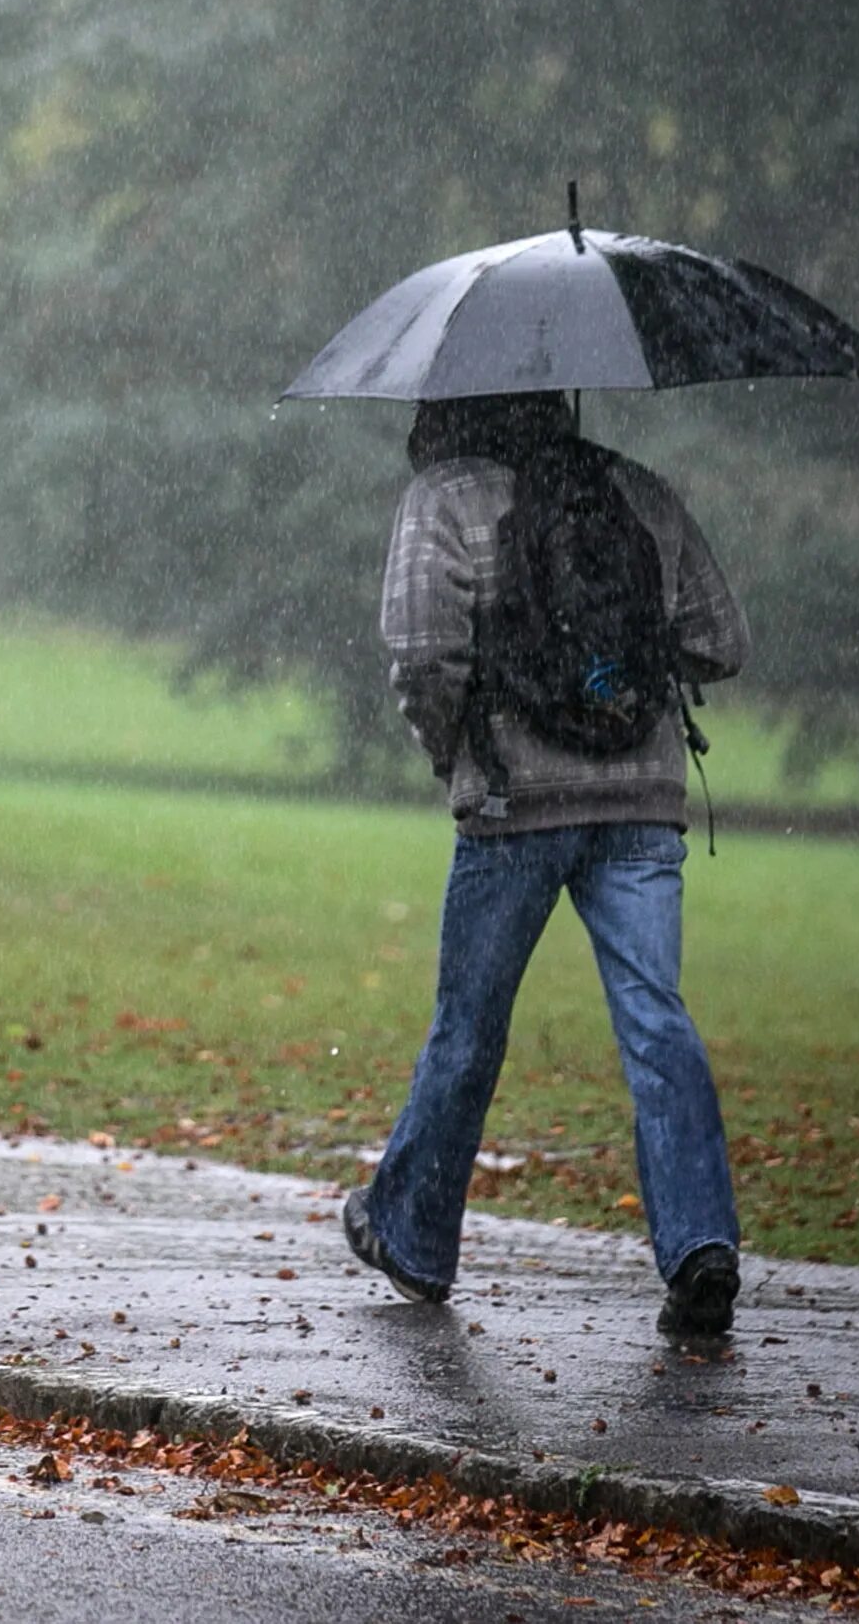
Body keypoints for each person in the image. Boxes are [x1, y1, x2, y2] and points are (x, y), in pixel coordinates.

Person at [342, 391, 750, 1343]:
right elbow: (723, 643)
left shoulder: (444, 500)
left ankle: (412, 1238)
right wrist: (617, 671)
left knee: (470, 1027)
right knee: (656, 1018)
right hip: (641, 803)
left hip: (511, 805)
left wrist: (463, 747)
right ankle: (700, 1247)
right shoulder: (638, 491)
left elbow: (420, 649)